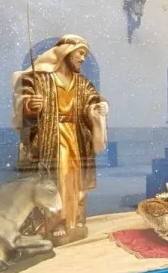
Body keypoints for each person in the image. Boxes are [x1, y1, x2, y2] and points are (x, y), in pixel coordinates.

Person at [12, 34, 109, 246]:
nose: (83, 59)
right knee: (56, 178)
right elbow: (21, 100)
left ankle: (73, 220)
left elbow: (92, 101)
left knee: (76, 180)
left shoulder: (81, 82)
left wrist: (98, 108)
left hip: (76, 138)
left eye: (84, 55)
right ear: (66, 53)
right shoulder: (40, 79)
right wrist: (30, 105)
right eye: (80, 53)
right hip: (50, 138)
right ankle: (53, 223)